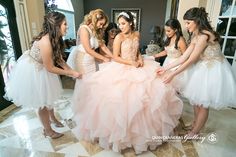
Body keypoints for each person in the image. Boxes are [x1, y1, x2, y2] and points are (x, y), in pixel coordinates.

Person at [72, 11, 183, 154]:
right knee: (122, 101)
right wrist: (130, 62)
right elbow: (116, 57)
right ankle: (122, 136)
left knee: (147, 98)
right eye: (119, 24)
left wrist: (141, 59)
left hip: (138, 66)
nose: (121, 26)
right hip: (123, 67)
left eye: (123, 23)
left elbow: (137, 52)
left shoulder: (137, 34)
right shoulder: (118, 37)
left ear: (130, 23)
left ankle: (142, 134)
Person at [157, 7, 236, 136]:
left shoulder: (205, 36)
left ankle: (195, 132)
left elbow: (190, 61)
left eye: (188, 23)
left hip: (213, 70)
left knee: (203, 104)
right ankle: (195, 125)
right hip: (202, 67)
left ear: (197, 21)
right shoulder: (196, 35)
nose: (186, 26)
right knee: (195, 100)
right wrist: (165, 68)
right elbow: (183, 57)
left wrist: (172, 73)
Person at [5, 12, 81, 139]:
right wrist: (70, 73)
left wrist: (71, 71)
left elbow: (59, 60)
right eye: (65, 24)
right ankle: (48, 130)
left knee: (49, 97)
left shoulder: (55, 38)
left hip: (45, 68)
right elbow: (50, 67)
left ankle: (53, 119)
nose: (67, 27)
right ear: (56, 26)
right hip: (35, 70)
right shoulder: (46, 41)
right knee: (43, 103)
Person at [66, 9, 112, 74]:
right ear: (95, 20)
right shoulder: (84, 29)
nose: (101, 26)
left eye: (103, 25)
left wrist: (113, 56)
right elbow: (88, 50)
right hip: (83, 60)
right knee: (85, 80)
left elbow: (103, 47)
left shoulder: (97, 31)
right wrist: (103, 58)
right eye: (101, 24)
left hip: (91, 59)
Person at [154, 19, 187, 91]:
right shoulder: (169, 38)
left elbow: (185, 57)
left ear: (175, 30)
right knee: (165, 87)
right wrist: (155, 55)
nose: (166, 33)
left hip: (177, 65)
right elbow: (167, 51)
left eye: (169, 31)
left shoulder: (181, 40)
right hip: (167, 63)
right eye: (165, 30)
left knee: (174, 88)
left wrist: (178, 69)